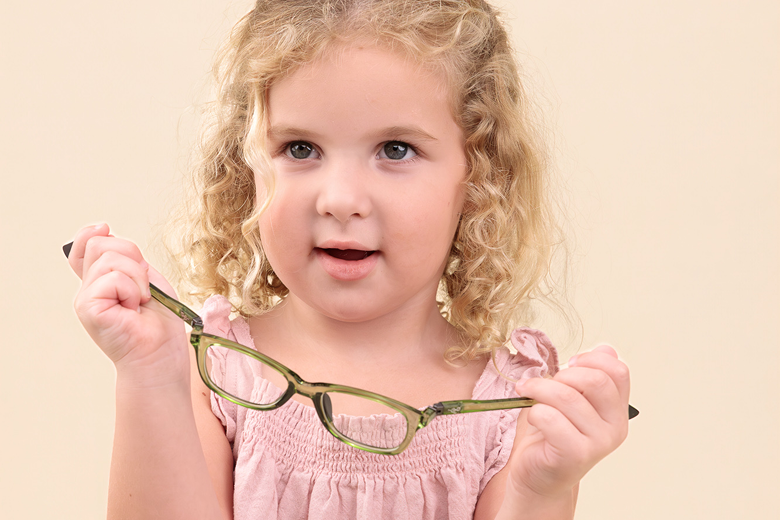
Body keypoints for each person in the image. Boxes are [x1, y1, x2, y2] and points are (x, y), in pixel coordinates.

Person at [65, 1, 632, 519]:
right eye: (300, 149)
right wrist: (147, 378)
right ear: (246, 168)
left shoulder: (510, 409)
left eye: (395, 150)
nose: (339, 199)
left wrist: (543, 490)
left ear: (479, 179)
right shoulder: (215, 372)